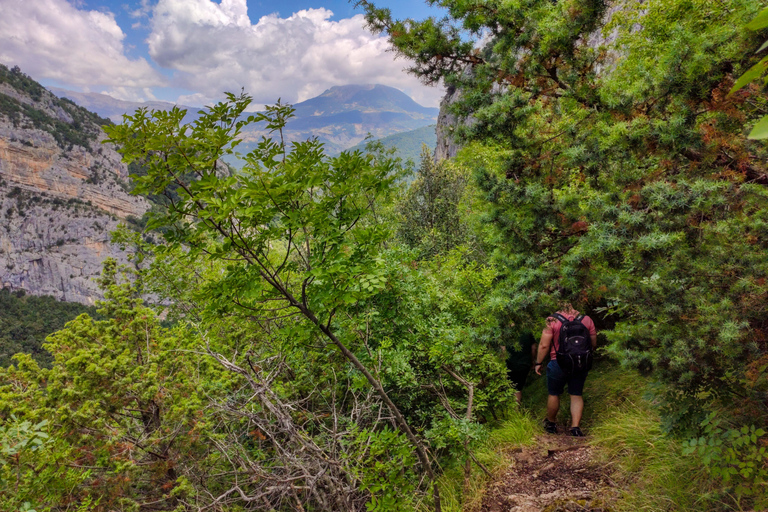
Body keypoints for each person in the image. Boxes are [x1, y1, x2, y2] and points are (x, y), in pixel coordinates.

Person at [534, 304, 597, 437]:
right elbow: (593, 343)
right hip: (580, 363)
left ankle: (551, 424)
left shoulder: (552, 320)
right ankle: (575, 428)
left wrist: (538, 362)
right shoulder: (586, 319)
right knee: (576, 394)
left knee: (554, 393)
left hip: (558, 362)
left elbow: (544, 345)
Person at [503, 328, 537, 404]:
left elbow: (503, 349)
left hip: (509, 364)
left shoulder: (504, 331)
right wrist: (532, 360)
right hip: (524, 364)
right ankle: (516, 411)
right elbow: (534, 347)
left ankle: (510, 411)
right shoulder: (527, 331)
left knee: (508, 387)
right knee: (518, 388)